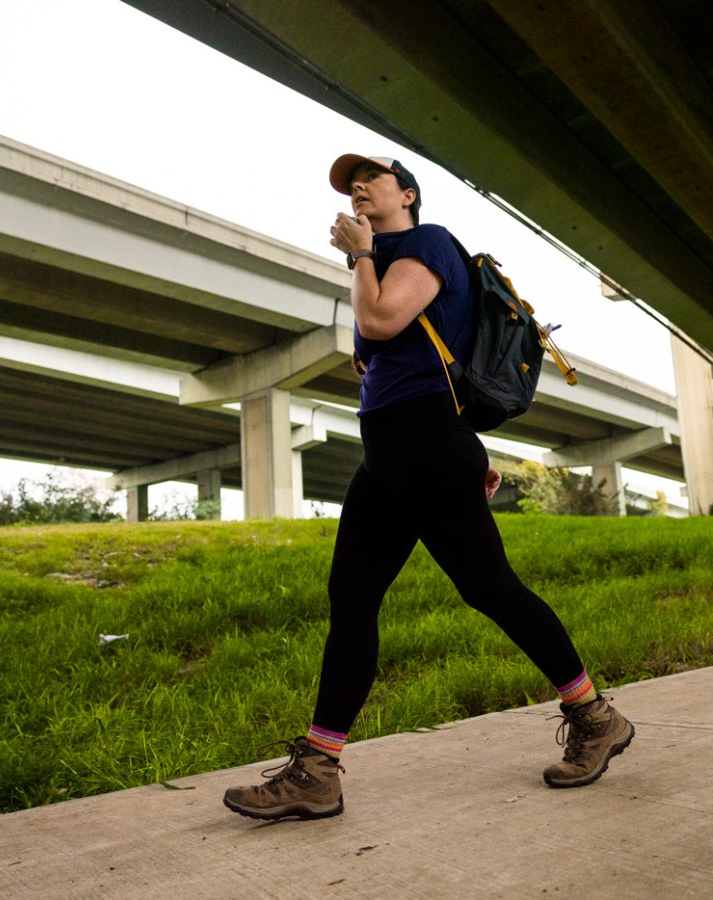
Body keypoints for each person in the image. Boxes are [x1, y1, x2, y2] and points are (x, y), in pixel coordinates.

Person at [222, 154, 635, 820]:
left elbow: (384, 324)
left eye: (371, 178)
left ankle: (595, 716)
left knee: (489, 588)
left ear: (406, 194)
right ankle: (318, 773)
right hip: (390, 451)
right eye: (349, 183)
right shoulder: (379, 266)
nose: (357, 186)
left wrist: (360, 258)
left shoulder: (427, 242)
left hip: (425, 447)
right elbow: (393, 354)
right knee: (351, 599)